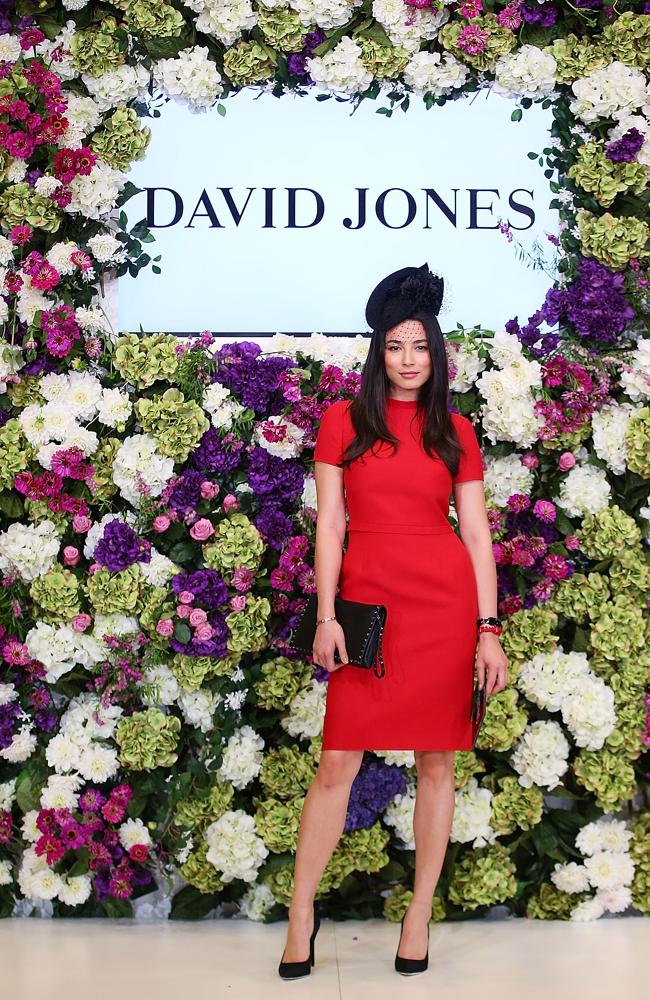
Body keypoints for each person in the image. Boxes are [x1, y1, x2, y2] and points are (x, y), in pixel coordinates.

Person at [278, 263, 509, 980]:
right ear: (378, 354)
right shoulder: (342, 422)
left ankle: (418, 918)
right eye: (395, 347)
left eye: (421, 347)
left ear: (436, 356)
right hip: (367, 608)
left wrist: (489, 628)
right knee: (337, 763)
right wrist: (325, 616)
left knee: (437, 765)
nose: (409, 360)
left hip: (443, 607)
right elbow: (329, 531)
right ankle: (300, 912)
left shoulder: (455, 429)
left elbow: (475, 535)